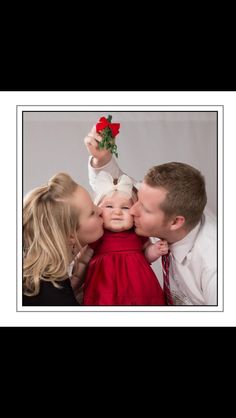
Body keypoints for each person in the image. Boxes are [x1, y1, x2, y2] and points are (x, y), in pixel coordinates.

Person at [84, 125, 217, 306]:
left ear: (176, 222)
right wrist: (102, 158)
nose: (131, 210)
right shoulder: (175, 205)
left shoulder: (215, 269)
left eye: (144, 209)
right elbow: (118, 189)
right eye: (136, 198)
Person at [83, 170, 168, 306]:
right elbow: (83, 259)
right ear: (98, 209)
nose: (117, 212)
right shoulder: (97, 234)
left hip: (139, 287)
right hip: (104, 286)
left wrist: (155, 250)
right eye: (109, 206)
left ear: (134, 211)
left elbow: (146, 256)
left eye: (125, 208)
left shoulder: (137, 233)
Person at [23, 172, 103, 306]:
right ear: (70, 236)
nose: (100, 210)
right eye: (92, 213)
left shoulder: (39, 280)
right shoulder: (56, 298)